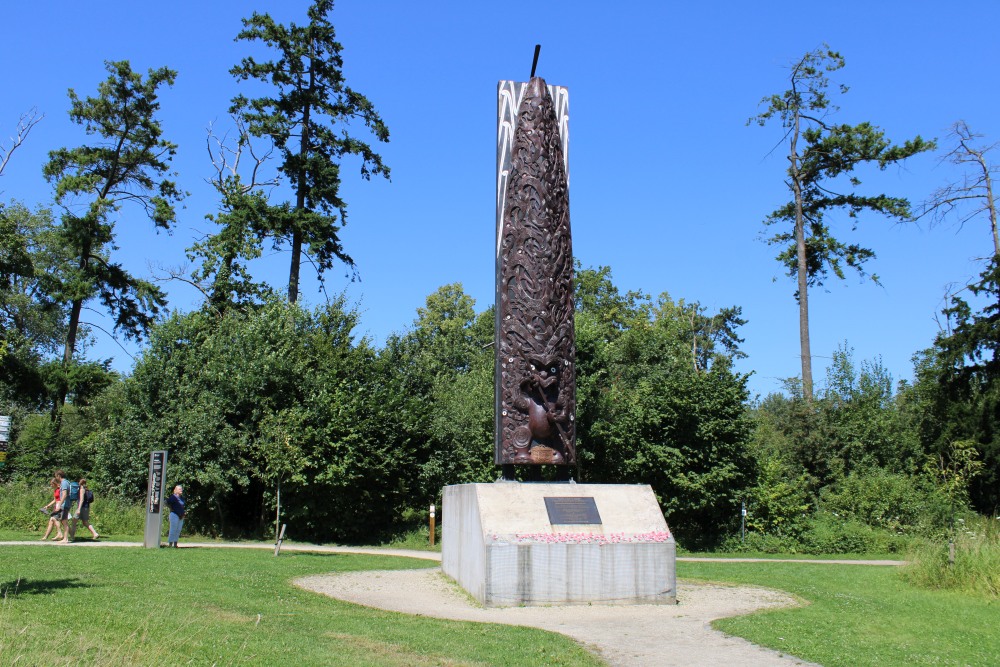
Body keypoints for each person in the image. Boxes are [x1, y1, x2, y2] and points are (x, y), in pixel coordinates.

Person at [54, 470, 72, 544]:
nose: (56, 478)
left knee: (64, 521)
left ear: (59, 476)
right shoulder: (67, 482)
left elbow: (64, 495)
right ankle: (65, 538)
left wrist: (59, 504)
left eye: (56, 476)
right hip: (66, 504)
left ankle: (66, 539)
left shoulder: (64, 483)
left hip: (64, 504)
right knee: (63, 521)